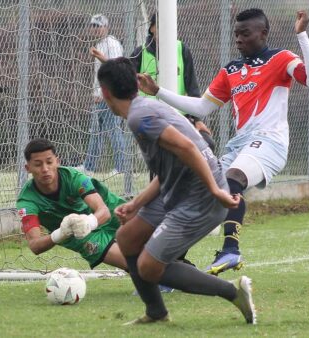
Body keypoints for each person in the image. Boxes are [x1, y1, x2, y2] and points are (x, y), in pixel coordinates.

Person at [138, 9, 309, 275]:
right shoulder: (231, 70)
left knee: (232, 180)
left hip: (269, 142)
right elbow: (202, 107)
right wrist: (158, 91)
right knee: (195, 192)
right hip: (240, 145)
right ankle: (174, 263)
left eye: (245, 34)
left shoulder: (281, 59)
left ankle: (230, 251)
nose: (238, 39)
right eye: (236, 34)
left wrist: (302, 36)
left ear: (263, 33)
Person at [97, 57, 256, 325]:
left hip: (200, 198)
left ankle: (232, 291)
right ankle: (156, 313)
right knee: (127, 238)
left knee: (148, 266)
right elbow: (170, 166)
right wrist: (137, 203)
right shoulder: (144, 108)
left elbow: (188, 148)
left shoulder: (139, 117)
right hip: (181, 190)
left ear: (105, 93)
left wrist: (215, 190)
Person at [16, 137, 173, 292]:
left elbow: (103, 211)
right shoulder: (27, 201)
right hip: (76, 234)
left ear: (57, 161)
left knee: (159, 229)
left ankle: (176, 268)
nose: (45, 169)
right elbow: (35, 245)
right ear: (27, 168)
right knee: (134, 262)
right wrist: (61, 233)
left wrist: (87, 222)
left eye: (49, 162)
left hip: (106, 209)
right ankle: (161, 280)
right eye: (38, 164)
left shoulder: (74, 178)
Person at [130, 13, 215, 151]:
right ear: (152, 28)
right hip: (151, 119)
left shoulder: (181, 49)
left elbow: (192, 87)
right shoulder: (140, 53)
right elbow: (127, 85)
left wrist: (198, 120)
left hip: (181, 117)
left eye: (168, 26)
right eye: (160, 26)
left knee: (207, 144)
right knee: (162, 155)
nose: (165, 30)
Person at [77, 14, 125, 176]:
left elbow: (117, 68)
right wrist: (96, 92)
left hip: (111, 96)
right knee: (95, 132)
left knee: (114, 131)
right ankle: (89, 166)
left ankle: (121, 168)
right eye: (93, 26)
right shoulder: (100, 44)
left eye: (98, 26)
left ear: (106, 27)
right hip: (101, 95)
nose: (95, 29)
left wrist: (104, 94)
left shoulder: (112, 44)